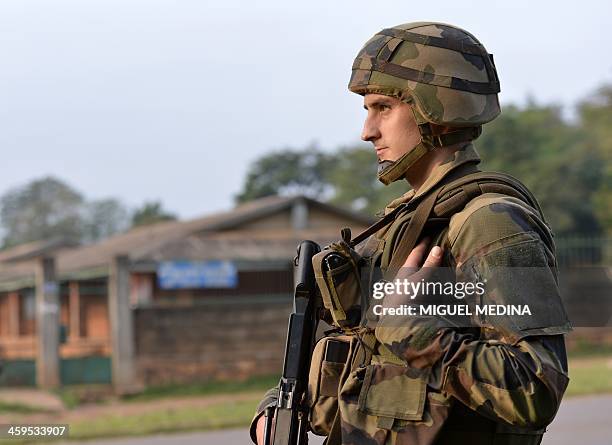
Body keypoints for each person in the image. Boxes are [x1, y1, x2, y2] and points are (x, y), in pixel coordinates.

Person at [252, 21, 571, 445]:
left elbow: (536, 388)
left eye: (383, 107)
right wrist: (276, 411)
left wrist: (415, 332)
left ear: (434, 108)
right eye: (367, 110)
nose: (367, 132)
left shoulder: (490, 222)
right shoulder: (400, 226)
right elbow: (364, 363)